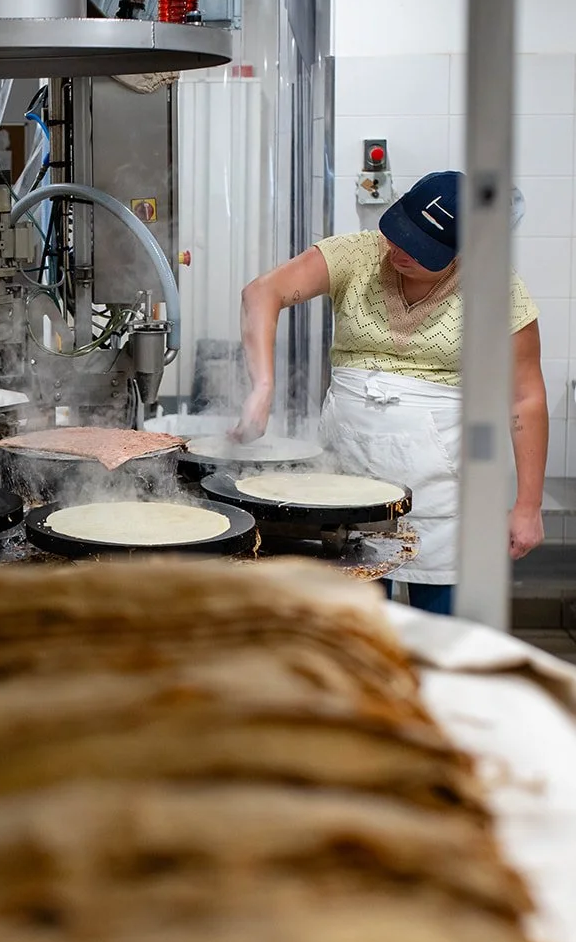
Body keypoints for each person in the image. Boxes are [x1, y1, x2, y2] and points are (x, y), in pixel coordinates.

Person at [234, 170, 547, 615]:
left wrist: (528, 505)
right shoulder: (358, 255)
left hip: (444, 496)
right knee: (349, 630)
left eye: (420, 250)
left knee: (441, 635)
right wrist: (262, 387)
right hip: (345, 482)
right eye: (398, 233)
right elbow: (262, 293)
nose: (399, 251)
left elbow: (525, 398)